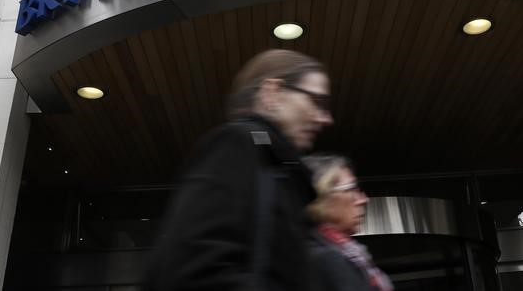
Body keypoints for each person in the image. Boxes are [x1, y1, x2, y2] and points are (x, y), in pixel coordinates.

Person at [145, 49, 334, 291]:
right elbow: (194, 267)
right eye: (317, 101)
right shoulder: (237, 144)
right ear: (272, 92)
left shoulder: (279, 170)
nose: (326, 118)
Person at [304, 154, 393, 291]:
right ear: (322, 197)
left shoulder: (344, 253)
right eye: (351, 189)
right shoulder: (325, 259)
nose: (363, 200)